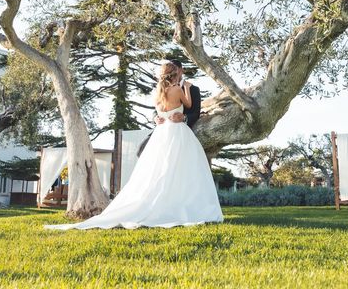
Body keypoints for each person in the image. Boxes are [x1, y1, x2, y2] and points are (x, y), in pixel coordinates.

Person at [44, 61, 223, 230]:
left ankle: (174, 202)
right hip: (174, 133)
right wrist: (169, 107)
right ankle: (167, 205)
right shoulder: (180, 89)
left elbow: (193, 112)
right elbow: (186, 105)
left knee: (173, 169)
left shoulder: (158, 92)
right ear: (176, 73)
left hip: (164, 133)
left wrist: (179, 116)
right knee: (163, 168)